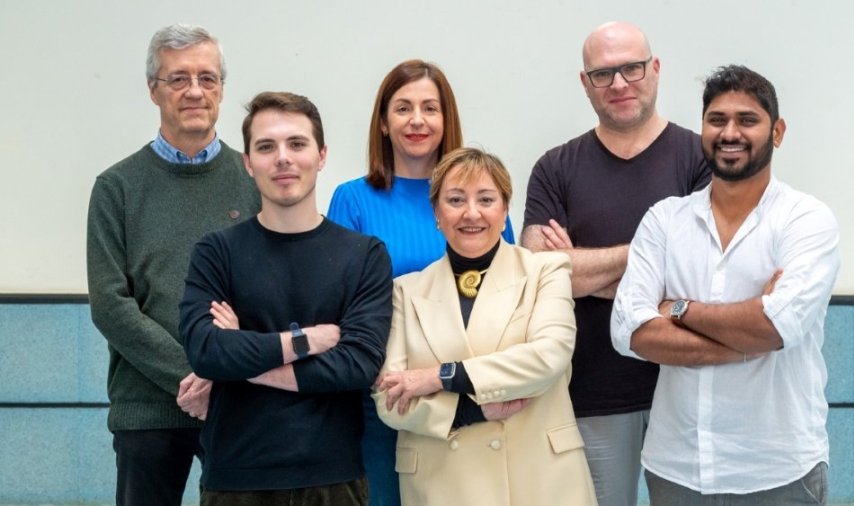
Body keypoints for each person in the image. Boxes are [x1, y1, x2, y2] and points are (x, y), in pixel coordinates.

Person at [611, 65, 840, 504]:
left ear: (777, 132)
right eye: (717, 120)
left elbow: (774, 327)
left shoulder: (806, 220)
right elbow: (629, 332)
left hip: (778, 472)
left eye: (747, 119)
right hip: (677, 469)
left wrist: (679, 309)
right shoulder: (665, 220)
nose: (729, 132)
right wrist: (748, 338)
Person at [520, 21, 710, 505]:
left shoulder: (701, 159)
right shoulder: (556, 167)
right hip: (592, 396)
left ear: (656, 68)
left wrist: (579, 269)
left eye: (632, 68)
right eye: (603, 74)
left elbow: (708, 274)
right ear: (585, 83)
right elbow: (539, 272)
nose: (620, 83)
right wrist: (656, 254)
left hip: (689, 390)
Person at [179, 91, 393, 505]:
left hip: (333, 478)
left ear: (321, 155)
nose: (282, 158)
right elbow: (206, 351)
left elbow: (357, 365)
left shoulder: (364, 255)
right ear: (248, 162)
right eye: (266, 147)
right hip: (236, 478)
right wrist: (305, 341)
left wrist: (243, 358)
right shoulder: (216, 252)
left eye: (296, 143)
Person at [326, 59, 514, 506]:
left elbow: (507, 295)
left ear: (447, 120)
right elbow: (337, 303)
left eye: (430, 108)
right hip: (386, 398)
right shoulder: (352, 200)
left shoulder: (477, 202)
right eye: (403, 108)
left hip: (469, 396)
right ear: (383, 123)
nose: (417, 120)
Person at [86, 24, 259, 506]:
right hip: (146, 409)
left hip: (236, 401)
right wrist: (192, 374)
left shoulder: (254, 180)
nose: (194, 91)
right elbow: (110, 304)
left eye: (207, 78)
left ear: (221, 89)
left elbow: (270, 289)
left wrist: (220, 375)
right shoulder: (116, 188)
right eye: (178, 79)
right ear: (153, 90)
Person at [373, 147, 597, 506]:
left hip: (537, 479)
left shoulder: (546, 270)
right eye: (455, 200)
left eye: (486, 199)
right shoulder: (405, 291)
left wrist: (441, 377)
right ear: (436, 213)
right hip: (442, 484)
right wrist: (470, 412)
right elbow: (388, 398)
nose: (471, 213)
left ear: (505, 209)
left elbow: (548, 357)